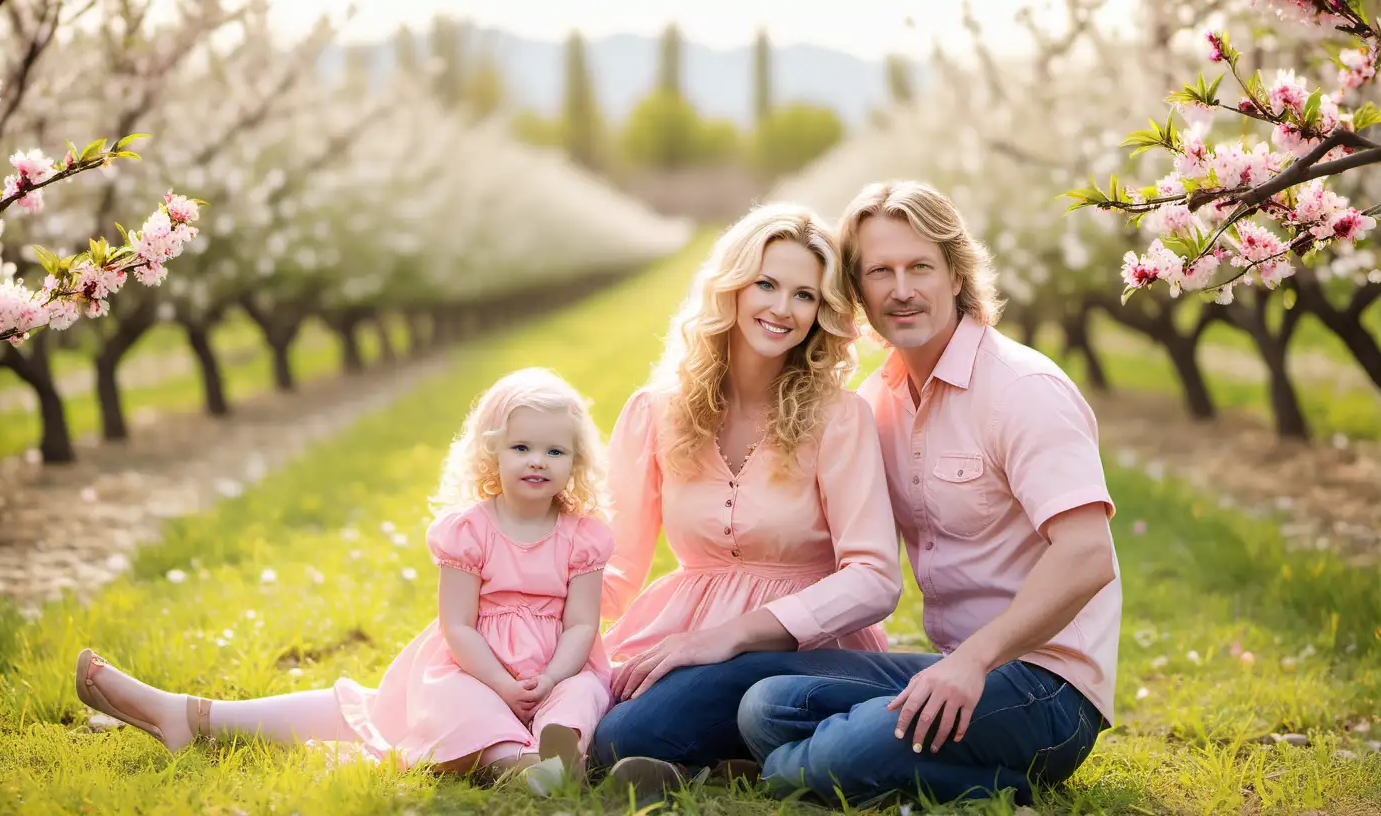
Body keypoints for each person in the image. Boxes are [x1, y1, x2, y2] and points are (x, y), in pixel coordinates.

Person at [734, 180, 1122, 807]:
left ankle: (825, 765)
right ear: (857, 293)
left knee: (830, 756)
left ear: (957, 274)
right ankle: (879, 765)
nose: (902, 290)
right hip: (947, 669)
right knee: (768, 705)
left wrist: (972, 663)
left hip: (1047, 686)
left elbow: (1088, 555)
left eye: (920, 267)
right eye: (880, 272)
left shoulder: (1023, 388)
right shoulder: (876, 404)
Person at [74, 367, 616, 789]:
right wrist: (500, 682)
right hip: (478, 668)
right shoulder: (469, 531)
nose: (537, 461)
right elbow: (458, 626)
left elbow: (582, 625)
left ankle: (556, 753)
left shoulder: (582, 535)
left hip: (554, 665)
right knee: (461, 702)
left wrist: (550, 678)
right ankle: (518, 768)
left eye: (554, 450)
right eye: (521, 447)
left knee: (584, 691)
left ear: (576, 461)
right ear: (492, 451)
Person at [588, 202, 904, 791]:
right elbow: (615, 567)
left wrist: (726, 636)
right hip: (681, 626)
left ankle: (721, 757)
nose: (782, 309)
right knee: (601, 717)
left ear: (823, 311)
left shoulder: (840, 417)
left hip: (798, 644)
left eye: (805, 295)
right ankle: (735, 762)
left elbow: (875, 577)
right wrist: (525, 610)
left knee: (628, 736)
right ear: (730, 287)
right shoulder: (655, 411)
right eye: (766, 284)